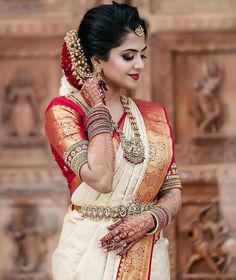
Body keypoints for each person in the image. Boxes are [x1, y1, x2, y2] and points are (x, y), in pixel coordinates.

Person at [45, 2, 182, 279]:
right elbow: (101, 178)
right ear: (97, 59)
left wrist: (150, 219)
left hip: (148, 254)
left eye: (142, 55)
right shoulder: (65, 112)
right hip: (88, 255)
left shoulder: (153, 115)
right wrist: (98, 109)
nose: (140, 65)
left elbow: (173, 189)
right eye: (128, 56)